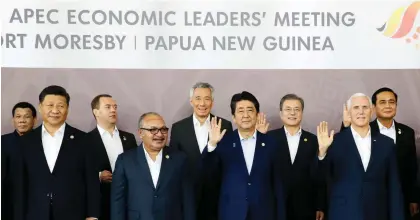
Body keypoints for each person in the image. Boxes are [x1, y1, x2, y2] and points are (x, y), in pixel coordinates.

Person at [13, 85, 100, 220]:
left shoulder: (84, 140)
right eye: (50, 105)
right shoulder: (25, 141)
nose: (55, 110)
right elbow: (19, 184)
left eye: (60, 106)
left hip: (73, 213)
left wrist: (93, 215)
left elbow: (91, 181)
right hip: (35, 213)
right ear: (40, 107)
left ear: (67, 109)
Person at [318, 93, 404, 220]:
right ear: (349, 113)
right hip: (343, 213)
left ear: (372, 111)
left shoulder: (386, 143)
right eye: (356, 108)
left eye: (365, 107)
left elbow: (394, 186)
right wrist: (322, 152)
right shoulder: (334, 141)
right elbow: (318, 177)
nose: (361, 112)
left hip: (377, 213)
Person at [203, 91, 286, 220]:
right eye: (240, 111)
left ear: (257, 115)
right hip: (231, 213)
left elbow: (278, 186)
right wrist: (212, 144)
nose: (246, 115)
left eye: (250, 110)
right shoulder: (223, 143)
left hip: (264, 213)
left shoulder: (271, 144)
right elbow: (209, 177)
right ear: (233, 117)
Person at [341, 87, 419, 219]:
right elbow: (345, 156)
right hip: (369, 198)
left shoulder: (407, 132)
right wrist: (346, 125)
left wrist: (414, 198)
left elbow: (412, 168)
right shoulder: (362, 128)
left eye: (391, 102)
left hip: (399, 197)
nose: (388, 106)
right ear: (373, 107)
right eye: (382, 102)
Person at [111, 112, 195, 220]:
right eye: (153, 130)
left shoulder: (180, 159)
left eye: (163, 129)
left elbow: (188, 199)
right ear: (141, 133)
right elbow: (118, 201)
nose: (160, 134)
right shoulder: (125, 160)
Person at [169, 82, 233, 219]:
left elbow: (228, 161)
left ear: (212, 102)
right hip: (188, 194)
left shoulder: (225, 125)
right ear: (191, 101)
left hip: (216, 194)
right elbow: (174, 163)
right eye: (198, 98)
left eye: (207, 99)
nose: (202, 103)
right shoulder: (178, 128)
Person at [267, 94, 325, 220]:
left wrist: (320, 206)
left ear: (302, 113)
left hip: (305, 207)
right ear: (281, 113)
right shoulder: (268, 139)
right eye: (288, 109)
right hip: (275, 206)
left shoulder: (314, 140)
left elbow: (319, 176)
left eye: (297, 109)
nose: (292, 113)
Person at [85, 94, 138, 220]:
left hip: (128, 200)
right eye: (108, 107)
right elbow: (79, 172)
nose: (113, 110)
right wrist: (98, 176)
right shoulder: (85, 140)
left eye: (115, 107)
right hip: (101, 201)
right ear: (96, 112)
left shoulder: (129, 138)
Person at [1, 102, 37, 220]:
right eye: (18, 116)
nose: (22, 120)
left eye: (27, 116)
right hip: (8, 199)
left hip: (35, 200)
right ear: (13, 120)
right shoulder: (3, 142)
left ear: (34, 120)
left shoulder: (43, 142)